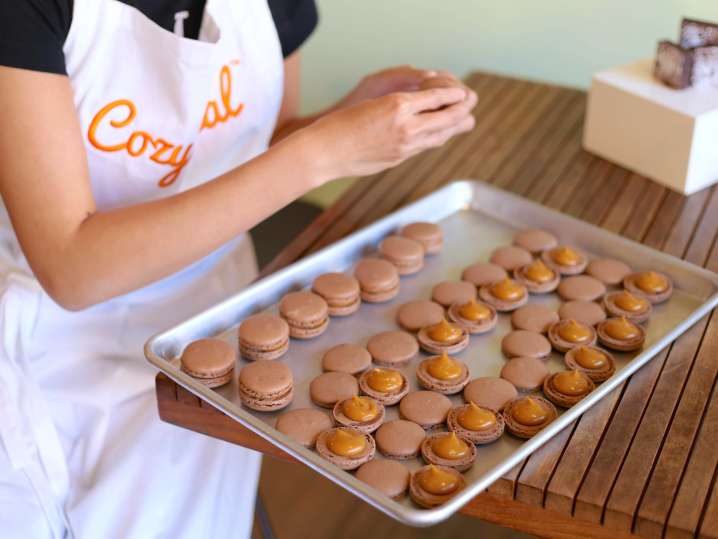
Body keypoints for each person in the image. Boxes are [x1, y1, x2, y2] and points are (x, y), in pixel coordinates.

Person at [0, 1, 477, 537]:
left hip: (225, 328)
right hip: (66, 349)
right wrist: (320, 152)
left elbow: (258, 143)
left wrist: (348, 118)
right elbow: (71, 270)